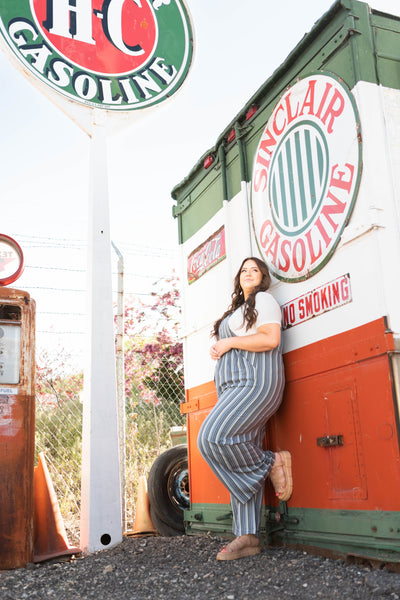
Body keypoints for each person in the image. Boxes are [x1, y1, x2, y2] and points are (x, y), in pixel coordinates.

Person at [197, 256, 292, 561]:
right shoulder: (238, 310)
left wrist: (228, 345)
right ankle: (248, 536)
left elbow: (270, 338)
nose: (248, 273)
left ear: (263, 278)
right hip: (234, 387)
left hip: (256, 382)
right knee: (238, 452)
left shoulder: (264, 300)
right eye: (244, 270)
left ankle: (270, 463)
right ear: (238, 278)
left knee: (210, 438)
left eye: (255, 270)